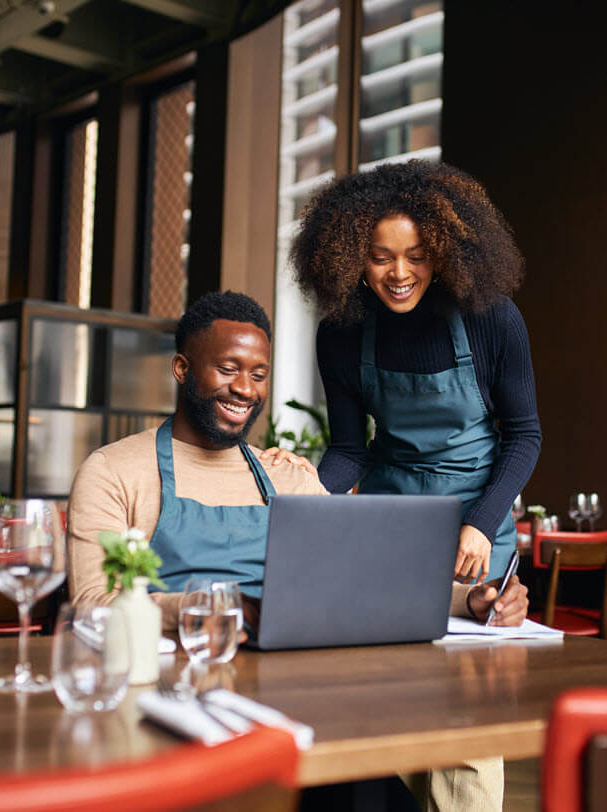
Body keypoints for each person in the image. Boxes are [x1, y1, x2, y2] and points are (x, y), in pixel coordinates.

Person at [265, 160, 541, 812]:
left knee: (468, 718)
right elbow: (347, 450)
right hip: (388, 527)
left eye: (416, 256)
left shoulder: (490, 317)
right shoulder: (341, 331)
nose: (398, 273)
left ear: (444, 252)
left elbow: (523, 434)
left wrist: (479, 521)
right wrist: (307, 494)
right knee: (390, 700)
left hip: (479, 522)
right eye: (379, 256)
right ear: (348, 256)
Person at [67, 290, 529, 635]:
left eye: (258, 374)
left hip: (284, 682)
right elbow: (90, 605)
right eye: (227, 370)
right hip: (165, 674)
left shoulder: (285, 476)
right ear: (182, 369)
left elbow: (365, 580)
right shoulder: (114, 471)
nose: (245, 389)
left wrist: (473, 600)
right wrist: (210, 608)